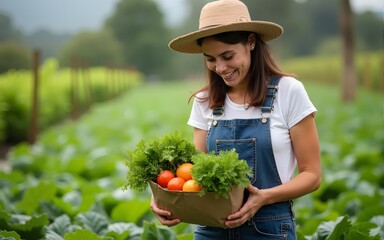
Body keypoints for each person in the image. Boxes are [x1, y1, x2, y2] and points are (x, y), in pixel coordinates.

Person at [151, 0, 322, 239]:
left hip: (268, 229)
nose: (220, 68)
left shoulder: (288, 92)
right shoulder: (205, 100)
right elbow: (192, 171)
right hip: (211, 229)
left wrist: (263, 198)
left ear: (251, 42)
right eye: (210, 59)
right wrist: (163, 195)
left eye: (227, 56)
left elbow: (312, 175)